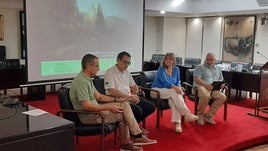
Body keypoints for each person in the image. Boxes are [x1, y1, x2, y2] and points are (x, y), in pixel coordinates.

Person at [69, 54, 157, 151]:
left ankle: (135, 136)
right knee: (123, 113)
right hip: (90, 115)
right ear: (89, 66)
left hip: (95, 110)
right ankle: (132, 138)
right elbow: (87, 106)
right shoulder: (81, 81)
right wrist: (109, 108)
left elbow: (99, 97)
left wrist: (118, 100)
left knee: (124, 105)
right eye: (97, 66)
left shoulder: (87, 78)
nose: (99, 68)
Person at [104, 51, 156, 135]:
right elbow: (111, 91)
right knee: (138, 110)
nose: (127, 65)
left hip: (129, 97)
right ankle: (132, 129)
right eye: (125, 62)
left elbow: (133, 85)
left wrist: (135, 92)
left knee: (150, 107)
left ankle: (131, 126)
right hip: (119, 100)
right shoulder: (110, 72)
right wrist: (129, 97)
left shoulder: (126, 71)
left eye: (129, 63)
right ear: (118, 60)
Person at [150, 52, 199, 133]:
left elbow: (178, 82)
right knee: (174, 92)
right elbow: (164, 82)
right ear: (164, 60)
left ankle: (177, 124)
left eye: (170, 59)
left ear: (173, 61)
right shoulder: (161, 69)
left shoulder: (176, 69)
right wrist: (176, 88)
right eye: (166, 59)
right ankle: (187, 114)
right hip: (156, 91)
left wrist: (179, 87)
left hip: (169, 92)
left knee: (173, 100)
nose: (168, 60)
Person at [193, 52, 226, 125]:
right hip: (201, 86)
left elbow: (221, 79)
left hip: (213, 89)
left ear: (215, 60)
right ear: (205, 59)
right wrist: (205, 85)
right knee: (205, 96)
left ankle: (209, 115)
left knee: (222, 97)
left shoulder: (218, 68)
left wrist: (222, 84)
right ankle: (200, 115)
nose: (209, 61)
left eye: (211, 60)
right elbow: (196, 79)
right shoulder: (200, 67)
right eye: (207, 59)